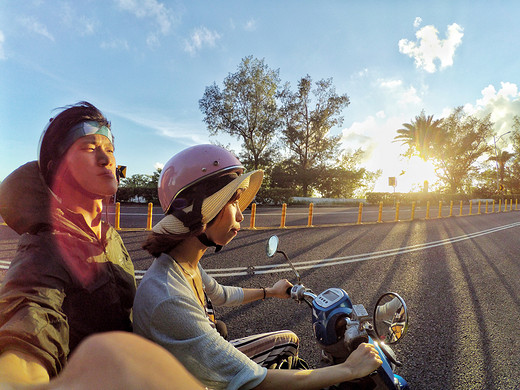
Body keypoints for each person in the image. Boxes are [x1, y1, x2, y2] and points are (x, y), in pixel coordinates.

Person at [133, 144, 382, 390]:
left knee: (289, 340)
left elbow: (220, 294)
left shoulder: (183, 264)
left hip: (191, 368)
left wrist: (271, 292)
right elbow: (253, 379)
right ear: (199, 211)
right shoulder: (168, 295)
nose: (241, 216)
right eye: (233, 203)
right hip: (194, 382)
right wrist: (349, 369)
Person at [0, 102, 136, 384]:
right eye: (89, 148)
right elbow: (31, 316)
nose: (106, 159)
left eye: (109, 149)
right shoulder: (45, 247)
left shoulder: (112, 237)